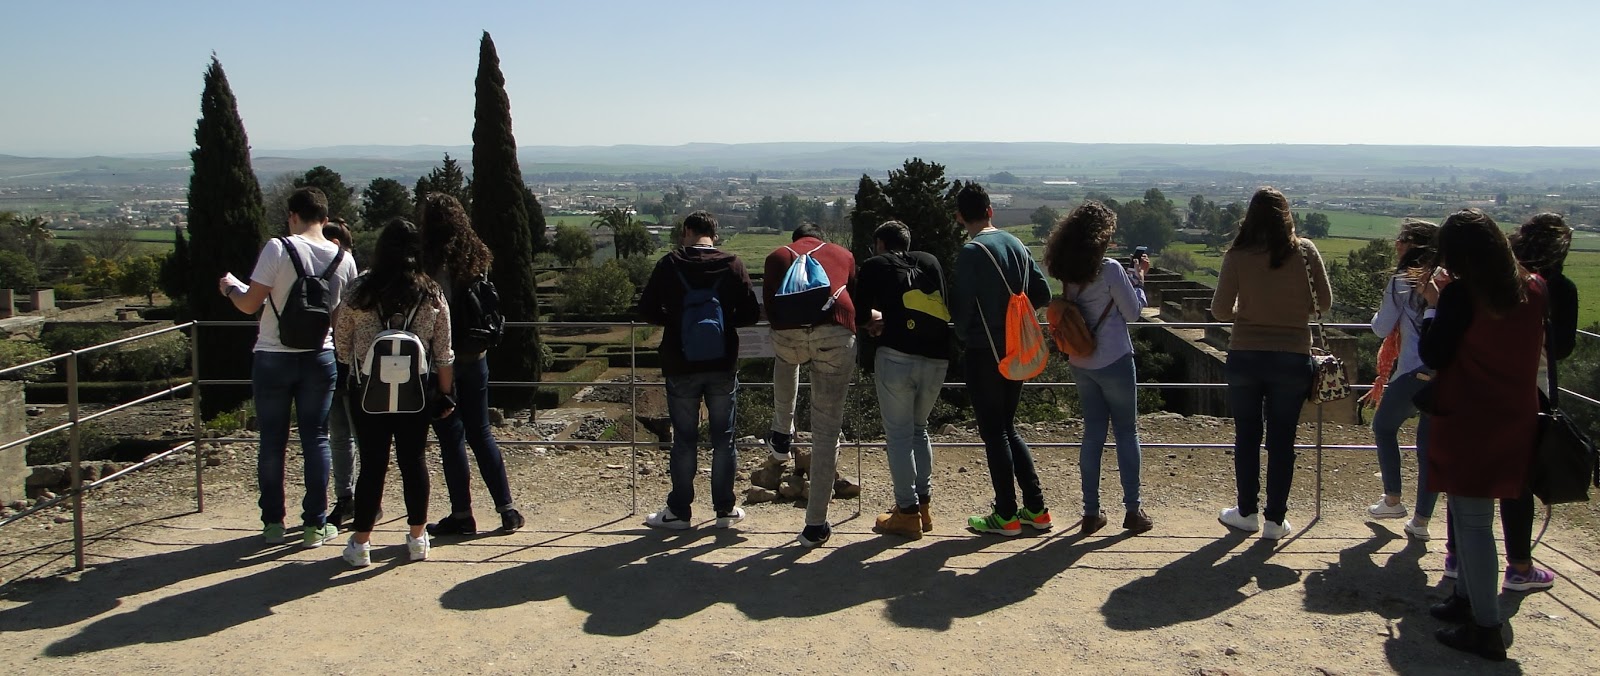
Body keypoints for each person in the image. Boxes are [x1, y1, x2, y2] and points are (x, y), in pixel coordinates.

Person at [1420, 209, 1546, 662]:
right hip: (1514, 414)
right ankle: (1466, 599)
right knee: (1469, 513)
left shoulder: (1462, 295)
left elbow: (1434, 354)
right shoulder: (1533, 288)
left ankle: (1485, 626)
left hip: (1468, 415)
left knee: (1472, 522)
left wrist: (1433, 305)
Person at [1437, 213, 1577, 591]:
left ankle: (1457, 556)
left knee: (1466, 481)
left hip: (1473, 390)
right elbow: (1562, 347)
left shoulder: (1480, 282)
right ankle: (1519, 565)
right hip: (1531, 389)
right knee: (1518, 483)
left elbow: (1444, 346)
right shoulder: (1552, 288)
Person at [218, 187, 358, 547]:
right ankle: (315, 524)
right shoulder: (344, 259)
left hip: (273, 356)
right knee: (317, 438)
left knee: (272, 441)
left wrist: (231, 288)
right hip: (319, 357)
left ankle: (273, 522)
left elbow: (250, 304)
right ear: (325, 219)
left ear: (292, 216)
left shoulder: (277, 248)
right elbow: (339, 321)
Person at [333, 218, 456, 567]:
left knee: (372, 465)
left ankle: (361, 543)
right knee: (413, 462)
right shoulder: (431, 294)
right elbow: (444, 352)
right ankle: (417, 538)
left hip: (367, 391)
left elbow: (341, 344)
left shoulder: (359, 291)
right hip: (415, 393)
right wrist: (445, 393)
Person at [1211, 187, 1330, 540]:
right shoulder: (1305, 251)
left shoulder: (1237, 255)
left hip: (1245, 355)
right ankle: (1275, 521)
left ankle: (1246, 512)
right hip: (1293, 356)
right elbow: (1323, 303)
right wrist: (1289, 311)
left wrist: (1248, 311)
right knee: (1283, 441)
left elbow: (1220, 310)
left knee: (1247, 437)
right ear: (1286, 215)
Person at [638, 211, 762, 530]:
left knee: (684, 439)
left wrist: (678, 322)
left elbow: (646, 309)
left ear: (687, 232)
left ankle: (679, 512)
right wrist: (722, 324)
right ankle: (724, 510)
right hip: (722, 362)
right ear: (714, 235)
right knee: (724, 439)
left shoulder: (670, 264)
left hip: (680, 363)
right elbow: (751, 313)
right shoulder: (732, 264)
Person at [416, 194, 525, 536]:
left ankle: (462, 514)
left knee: (451, 438)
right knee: (481, 433)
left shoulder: (428, 260)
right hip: (476, 356)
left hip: (441, 362)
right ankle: (507, 509)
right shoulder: (476, 255)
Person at [1042, 201, 1152, 535]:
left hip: (1081, 360)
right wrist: (1139, 280)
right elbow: (1133, 312)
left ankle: (1091, 512)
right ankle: (1132, 510)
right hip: (1114, 358)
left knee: (1092, 434)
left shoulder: (1067, 270)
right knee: (1126, 432)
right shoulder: (1110, 269)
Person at [949, 183, 1053, 536]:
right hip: (1016, 348)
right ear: (990, 210)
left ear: (960, 217)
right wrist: (1015, 316)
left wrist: (965, 335)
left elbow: (961, 311)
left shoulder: (971, 252)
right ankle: (1036, 508)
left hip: (984, 351)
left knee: (994, 432)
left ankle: (1006, 514)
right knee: (1008, 427)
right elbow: (1043, 292)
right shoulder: (1017, 245)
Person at [855, 221, 952, 538]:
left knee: (898, 436)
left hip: (896, 356)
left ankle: (907, 512)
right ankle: (923, 509)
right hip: (937, 357)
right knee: (919, 429)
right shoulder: (930, 261)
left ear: (880, 244)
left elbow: (859, 313)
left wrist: (875, 320)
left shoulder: (875, 264)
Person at [763, 223, 857, 547]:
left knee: (785, 357)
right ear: (820, 239)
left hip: (789, 337)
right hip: (835, 335)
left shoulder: (778, 256)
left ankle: (781, 430)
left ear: (796, 239)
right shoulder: (842, 255)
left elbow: (771, 309)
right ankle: (815, 525)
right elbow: (855, 301)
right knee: (826, 432)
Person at [1364, 219, 1439, 540]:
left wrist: (1376, 318)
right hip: (1443, 373)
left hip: (1411, 370)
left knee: (1383, 427)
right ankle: (1421, 521)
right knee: (1428, 447)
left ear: (1414, 245)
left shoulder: (1404, 280)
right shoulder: (1447, 278)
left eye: (1402, 239)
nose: (1397, 245)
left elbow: (1382, 327)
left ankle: (1393, 499)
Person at [321, 218, 360, 529]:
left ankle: (354, 497)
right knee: (343, 433)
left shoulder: (343, 264)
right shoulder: (347, 265)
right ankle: (352, 497)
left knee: (344, 434)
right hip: (343, 358)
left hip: (338, 357)